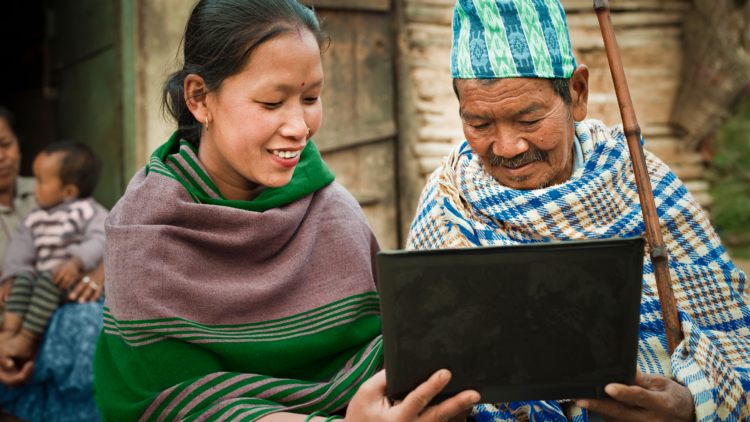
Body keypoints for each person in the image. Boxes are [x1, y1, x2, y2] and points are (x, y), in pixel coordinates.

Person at [94, 1, 479, 421]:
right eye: (272, 103)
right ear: (200, 98)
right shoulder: (143, 233)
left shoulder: (335, 213)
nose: (299, 127)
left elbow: (388, 355)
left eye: (311, 97)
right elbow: (173, 398)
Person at [406, 1, 750, 421]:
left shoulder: (642, 186)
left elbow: (735, 345)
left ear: (577, 93)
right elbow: (423, 372)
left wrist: (690, 402)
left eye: (529, 120)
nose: (507, 146)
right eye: (480, 125)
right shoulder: (448, 204)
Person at [0, 106, 104, 422]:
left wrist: (98, 271)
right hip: (14, 326)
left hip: (66, 303)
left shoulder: (53, 187)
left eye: (4, 144)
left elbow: (111, 235)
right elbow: (19, 256)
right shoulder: (46, 194)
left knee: (93, 323)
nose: (0, 157)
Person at [0, 142, 106, 360]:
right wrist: (12, 277)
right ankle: (9, 334)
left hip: (75, 281)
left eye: (41, 181)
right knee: (22, 281)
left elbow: (101, 238)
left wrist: (76, 262)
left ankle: (25, 340)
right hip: (44, 283)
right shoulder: (35, 217)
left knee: (50, 280)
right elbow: (20, 250)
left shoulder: (87, 211)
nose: (34, 187)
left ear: (68, 191)